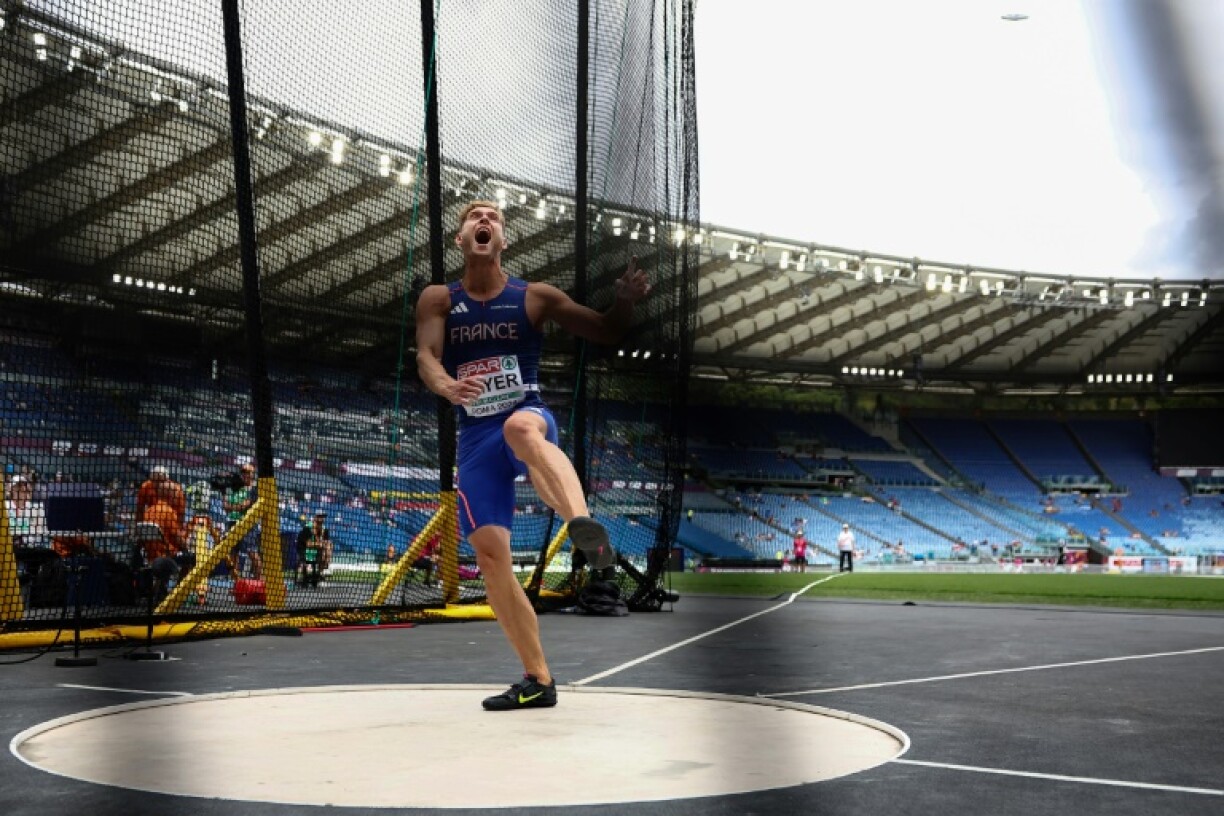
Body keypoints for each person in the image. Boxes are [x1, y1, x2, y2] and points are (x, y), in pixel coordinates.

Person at [415, 199, 649, 711]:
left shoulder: (533, 297)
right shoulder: (438, 299)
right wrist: (448, 385)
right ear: (461, 238)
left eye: (494, 217)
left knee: (522, 427)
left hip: (528, 416)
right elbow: (426, 356)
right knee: (492, 558)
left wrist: (625, 301)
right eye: (474, 216)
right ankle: (538, 680)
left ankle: (586, 531)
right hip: (475, 441)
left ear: (503, 240)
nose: (484, 219)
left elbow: (607, 330)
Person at [222, 464, 261, 580]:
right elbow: (225, 506)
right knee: (233, 553)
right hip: (233, 523)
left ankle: (259, 581)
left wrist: (232, 507)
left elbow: (246, 505)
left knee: (252, 552)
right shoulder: (237, 487)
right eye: (243, 472)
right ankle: (236, 582)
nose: (245, 475)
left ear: (253, 474)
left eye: (248, 472)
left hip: (248, 524)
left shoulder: (254, 488)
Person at [295, 512, 330, 588]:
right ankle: (303, 578)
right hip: (303, 549)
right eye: (320, 517)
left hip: (314, 550)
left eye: (323, 517)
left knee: (327, 548)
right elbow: (308, 544)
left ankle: (320, 574)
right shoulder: (308, 528)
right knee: (305, 561)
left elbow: (326, 543)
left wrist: (326, 551)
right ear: (315, 518)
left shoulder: (324, 530)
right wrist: (320, 545)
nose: (322, 519)